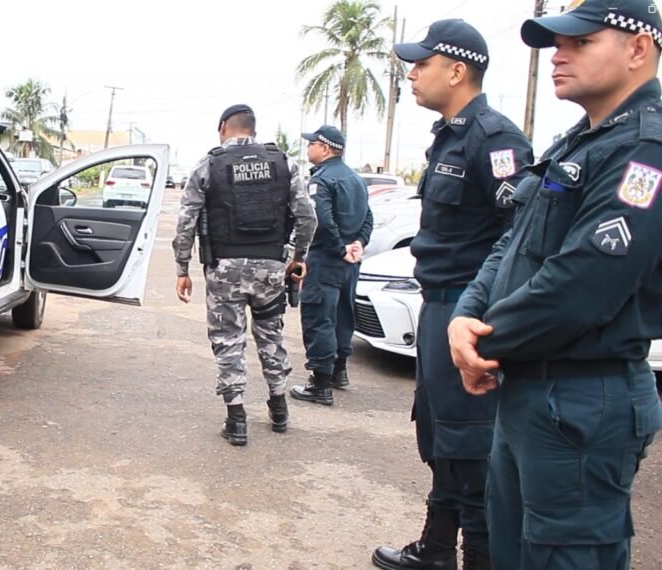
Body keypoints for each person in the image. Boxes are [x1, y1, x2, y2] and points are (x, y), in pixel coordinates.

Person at [448, 1, 662, 567]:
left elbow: (583, 284)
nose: (557, 56)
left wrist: (482, 344)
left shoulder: (646, 152)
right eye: (557, 44)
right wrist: (464, 315)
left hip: (583, 399)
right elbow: (510, 245)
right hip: (531, 390)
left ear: (639, 49)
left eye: (580, 43)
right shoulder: (578, 142)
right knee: (513, 551)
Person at [372, 20, 533, 570]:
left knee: (470, 447)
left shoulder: (496, 139)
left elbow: (518, 237)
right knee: (441, 437)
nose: (413, 74)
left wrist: (481, 312)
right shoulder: (450, 135)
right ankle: (437, 547)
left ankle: (479, 558)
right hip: (438, 303)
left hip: (470, 309)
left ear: (457, 70)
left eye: (423, 64)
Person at [172, 104, 317, 446]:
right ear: (253, 129)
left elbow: (186, 222)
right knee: (271, 335)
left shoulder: (209, 164)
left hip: (224, 270)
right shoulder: (283, 162)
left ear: (223, 126)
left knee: (228, 340)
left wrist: (183, 269)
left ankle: (236, 419)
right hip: (271, 269)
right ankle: (279, 408)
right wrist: (298, 257)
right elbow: (307, 217)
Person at [290, 125, 372, 406]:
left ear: (325, 148)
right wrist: (359, 243)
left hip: (326, 259)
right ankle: (339, 371)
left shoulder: (322, 180)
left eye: (312, 143)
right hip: (349, 263)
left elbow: (322, 221)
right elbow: (368, 217)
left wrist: (339, 248)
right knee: (342, 315)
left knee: (319, 317)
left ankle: (320, 384)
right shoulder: (356, 178)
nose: (308, 148)